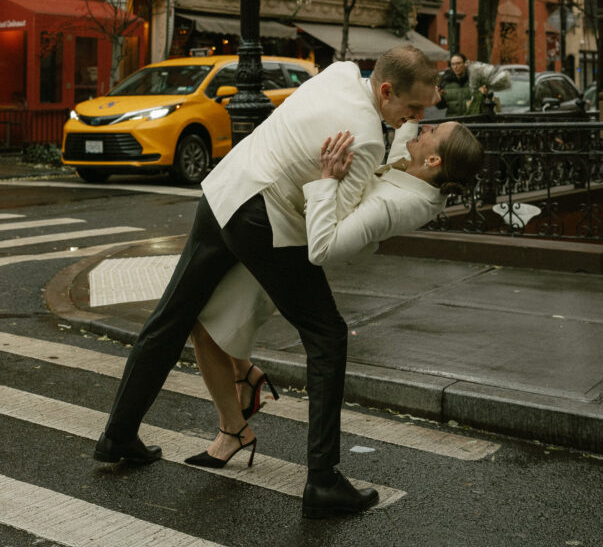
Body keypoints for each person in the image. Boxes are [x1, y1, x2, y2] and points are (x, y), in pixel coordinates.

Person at [94, 46, 440, 519]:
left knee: (171, 317)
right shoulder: (364, 142)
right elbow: (331, 232)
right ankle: (322, 479)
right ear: (385, 90)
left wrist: (404, 131)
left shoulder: (338, 74)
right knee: (326, 334)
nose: (414, 120)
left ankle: (118, 435)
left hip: (227, 186)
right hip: (264, 219)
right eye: (412, 109)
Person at [187, 122, 484, 485]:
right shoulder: (418, 176)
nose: (425, 126)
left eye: (433, 130)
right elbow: (403, 145)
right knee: (207, 324)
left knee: (205, 327)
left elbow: (322, 247)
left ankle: (235, 424)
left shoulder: (400, 204)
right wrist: (408, 109)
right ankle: (243, 386)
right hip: (282, 228)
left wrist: (327, 178)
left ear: (435, 158)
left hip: (290, 244)